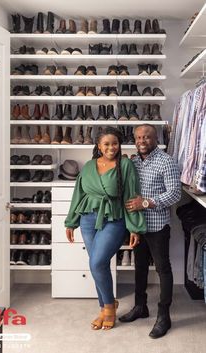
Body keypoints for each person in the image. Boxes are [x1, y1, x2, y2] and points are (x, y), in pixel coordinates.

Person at [65, 127, 146, 331]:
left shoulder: (125, 164)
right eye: (107, 144)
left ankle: (108, 308)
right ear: (99, 146)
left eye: (115, 143)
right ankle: (105, 306)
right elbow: (79, 194)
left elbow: (130, 195)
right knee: (96, 265)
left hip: (113, 218)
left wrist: (134, 227)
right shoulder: (89, 166)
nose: (111, 147)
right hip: (87, 219)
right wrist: (71, 221)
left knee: (98, 262)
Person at [119, 124, 181, 339]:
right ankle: (140, 307)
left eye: (146, 137)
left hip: (157, 225)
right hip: (137, 226)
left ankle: (164, 315)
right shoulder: (134, 162)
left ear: (155, 139)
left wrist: (145, 202)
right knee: (140, 267)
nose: (141, 141)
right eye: (138, 138)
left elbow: (174, 194)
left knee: (163, 269)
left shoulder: (167, 161)